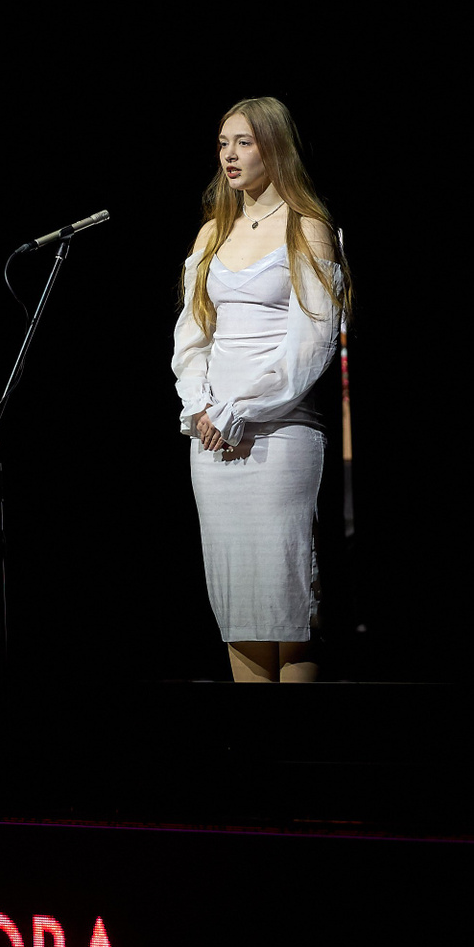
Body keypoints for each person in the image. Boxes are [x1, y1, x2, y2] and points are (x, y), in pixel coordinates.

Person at [171, 97, 350, 683]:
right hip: (212, 440)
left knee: (286, 601)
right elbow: (192, 338)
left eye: (244, 142)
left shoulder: (307, 228)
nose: (229, 154)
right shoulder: (212, 233)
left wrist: (239, 409)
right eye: (224, 143)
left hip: (280, 435)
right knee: (238, 602)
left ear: (274, 148)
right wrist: (201, 406)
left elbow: (310, 346)